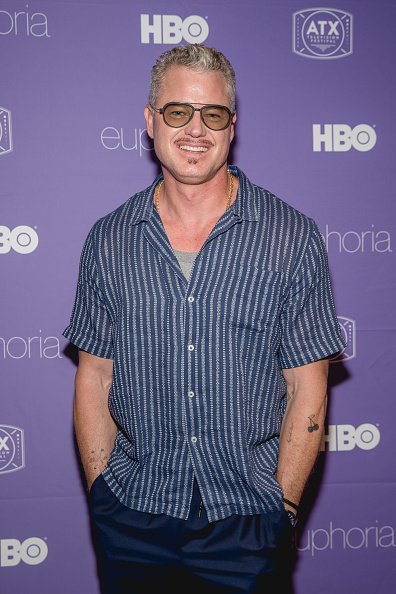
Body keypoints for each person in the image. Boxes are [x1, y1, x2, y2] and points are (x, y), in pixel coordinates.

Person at [63, 43, 346, 594]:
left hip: (248, 523)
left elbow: (308, 388)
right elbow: (94, 375)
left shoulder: (291, 236)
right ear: (150, 121)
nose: (196, 128)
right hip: (133, 515)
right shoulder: (109, 240)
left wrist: (283, 508)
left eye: (213, 114)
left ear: (232, 126)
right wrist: (101, 495)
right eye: (178, 111)